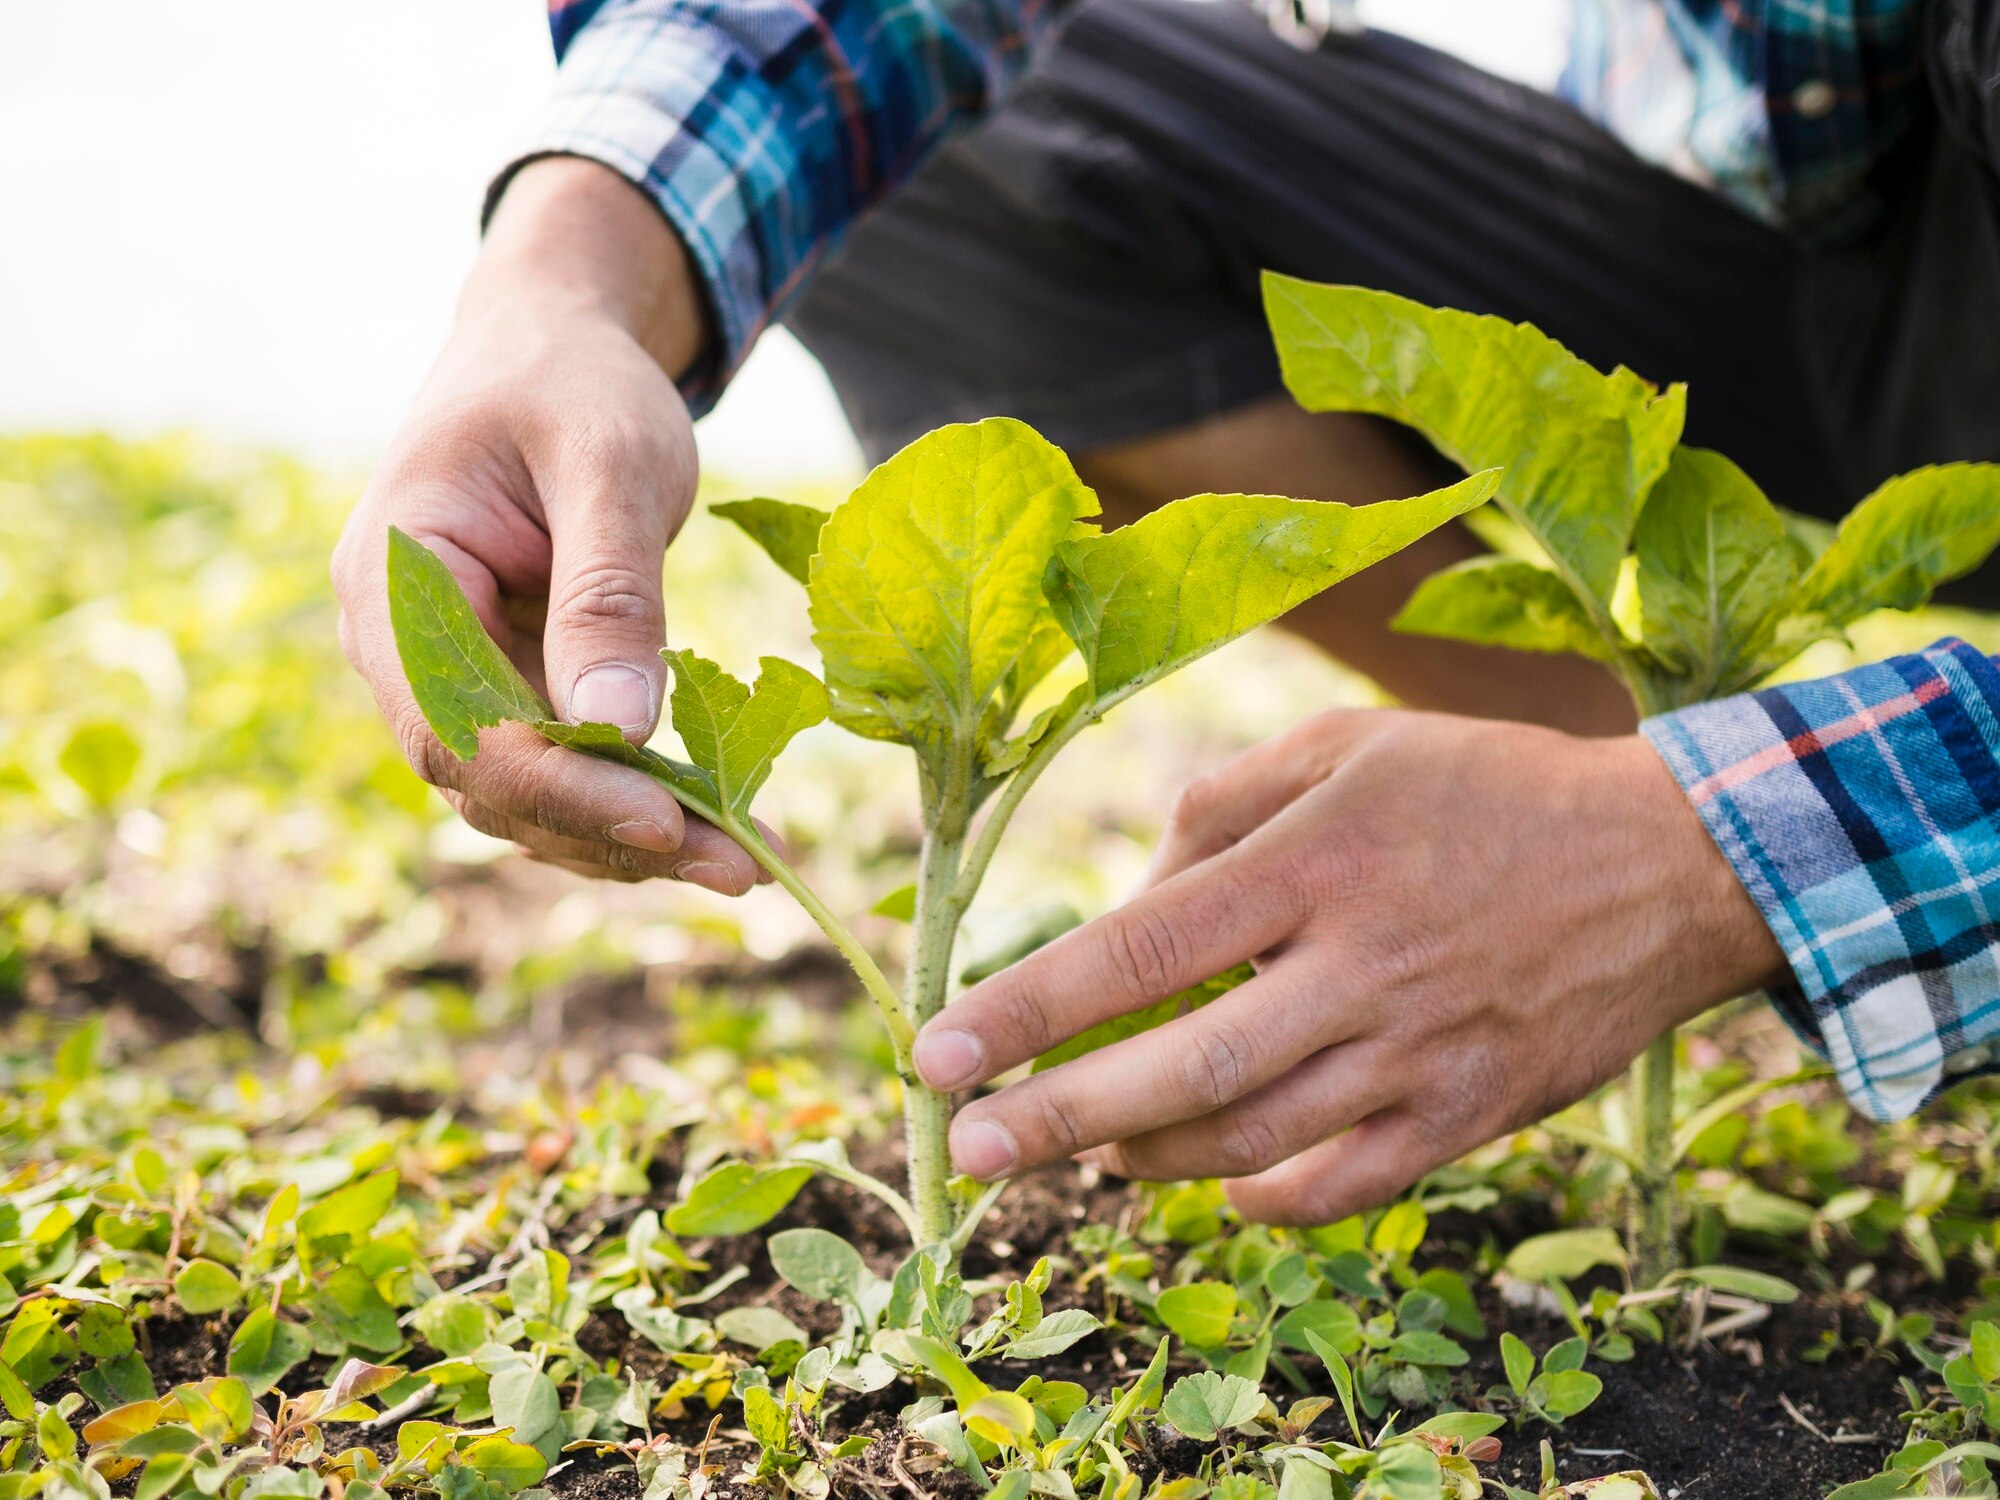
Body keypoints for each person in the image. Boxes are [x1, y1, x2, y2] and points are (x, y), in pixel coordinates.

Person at [332, 0, 2000, 1225]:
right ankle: (1587, 759)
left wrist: (1715, 855)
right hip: (1775, 211)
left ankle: (1627, 842)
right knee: (979, 163)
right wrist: (562, 276)